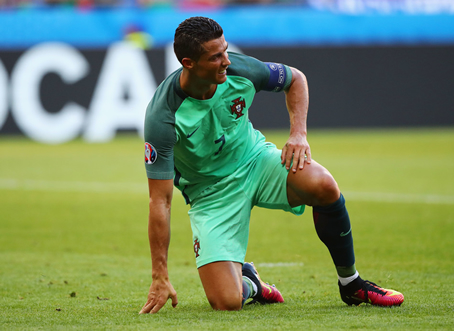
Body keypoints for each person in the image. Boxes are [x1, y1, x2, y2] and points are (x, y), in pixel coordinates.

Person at [139, 16, 404, 313]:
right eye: (216, 57)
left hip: (256, 161)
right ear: (188, 63)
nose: (227, 60)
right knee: (226, 302)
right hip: (210, 194)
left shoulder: (241, 69)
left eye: (225, 50)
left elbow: (295, 79)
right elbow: (159, 201)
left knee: (323, 185)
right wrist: (159, 276)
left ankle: (351, 284)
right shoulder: (162, 116)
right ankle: (250, 282)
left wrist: (298, 134)